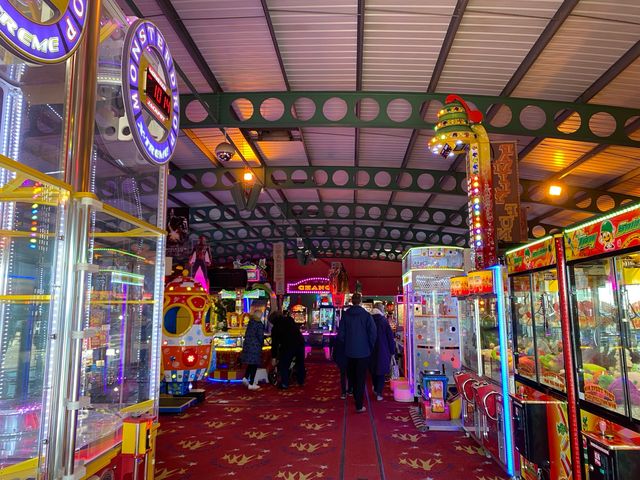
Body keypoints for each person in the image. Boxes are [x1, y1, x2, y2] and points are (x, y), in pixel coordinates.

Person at [338, 292, 376, 412]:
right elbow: (373, 334)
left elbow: (341, 335)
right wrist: (369, 347)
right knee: (360, 378)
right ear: (360, 301)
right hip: (363, 352)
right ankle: (359, 404)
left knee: (352, 376)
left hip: (349, 351)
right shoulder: (366, 315)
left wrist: (347, 344)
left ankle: (354, 395)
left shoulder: (345, 315)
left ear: (351, 301)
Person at [271, 311, 306, 389]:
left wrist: (274, 357)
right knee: (300, 363)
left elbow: (275, 344)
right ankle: (301, 381)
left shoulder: (276, 327)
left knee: (284, 364)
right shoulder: (289, 320)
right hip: (300, 342)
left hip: (288, 346)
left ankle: (285, 383)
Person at [370, 302, 396, 401]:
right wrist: (392, 351)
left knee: (373, 369)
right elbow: (390, 337)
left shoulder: (369, 319)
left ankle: (375, 387)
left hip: (371, 349)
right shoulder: (384, 321)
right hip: (383, 349)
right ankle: (379, 393)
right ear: (381, 310)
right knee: (381, 371)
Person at [241, 309, 265, 390]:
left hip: (248, 345)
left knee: (250, 363)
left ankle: (245, 377)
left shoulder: (250, 323)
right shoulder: (259, 324)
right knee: (254, 364)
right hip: (255, 346)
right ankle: (251, 383)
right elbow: (260, 336)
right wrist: (262, 344)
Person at [330, 326, 349, 399]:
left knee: (343, 375)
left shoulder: (338, 337)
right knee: (350, 374)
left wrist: (336, 360)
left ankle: (343, 392)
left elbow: (335, 350)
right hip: (349, 357)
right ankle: (350, 389)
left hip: (341, 358)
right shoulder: (351, 336)